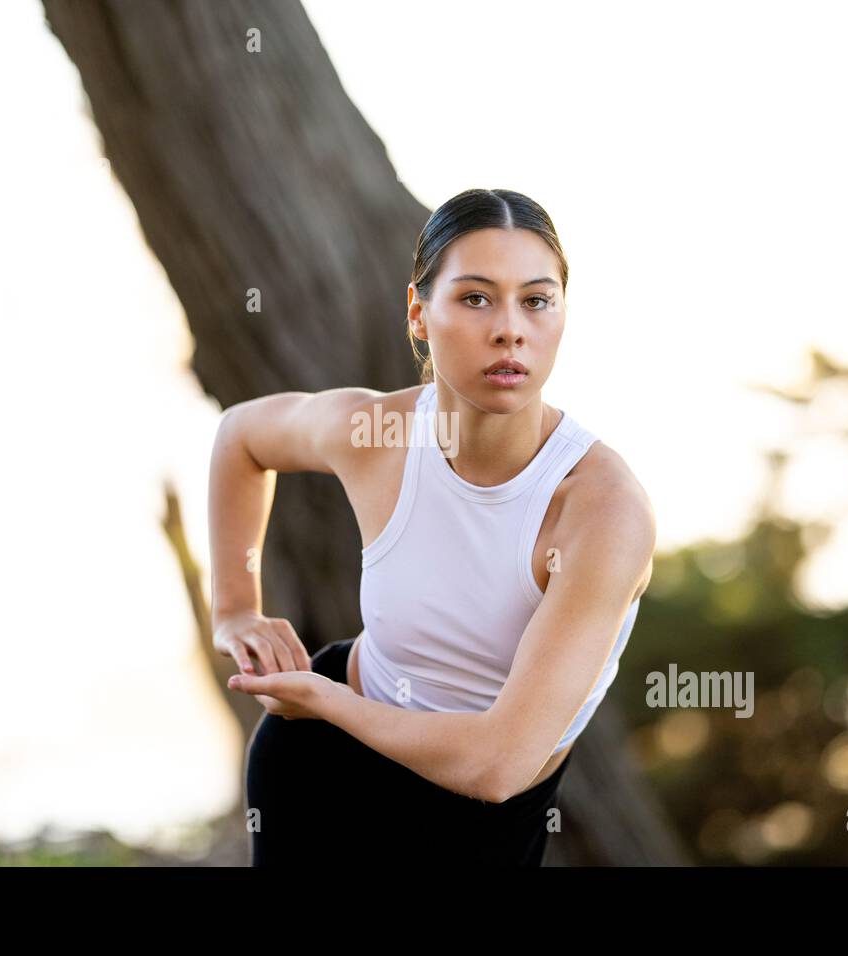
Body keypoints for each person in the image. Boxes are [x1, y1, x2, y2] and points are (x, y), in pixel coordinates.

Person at [208, 187, 656, 866]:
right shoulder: (379, 435)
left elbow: (499, 765)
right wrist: (234, 611)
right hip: (317, 773)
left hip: (474, 827)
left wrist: (326, 704)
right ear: (418, 314)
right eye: (476, 297)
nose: (510, 328)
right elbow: (241, 437)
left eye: (536, 300)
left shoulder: (600, 509)